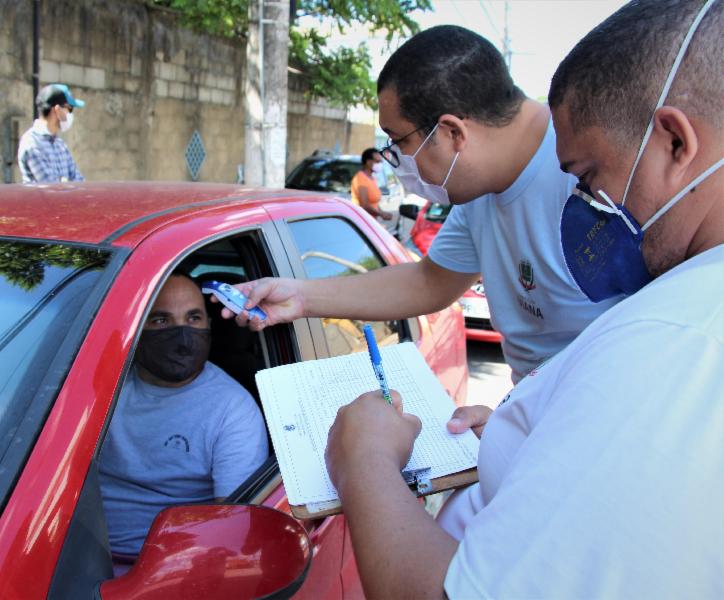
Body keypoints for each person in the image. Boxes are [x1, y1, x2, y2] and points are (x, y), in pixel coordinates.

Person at [325, 0, 723, 597]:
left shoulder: (673, 338)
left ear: (672, 142)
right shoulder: (679, 319)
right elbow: (433, 278)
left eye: (588, 178)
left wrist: (365, 460)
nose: (585, 208)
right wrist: (524, 428)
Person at [225, 26, 622, 383]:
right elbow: (430, 281)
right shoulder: (480, 188)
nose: (396, 159)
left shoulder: (596, 170)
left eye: (399, 141)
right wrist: (301, 296)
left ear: (451, 132)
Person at [98, 272, 268, 560]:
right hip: (68, 553)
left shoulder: (232, 409)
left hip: (165, 568)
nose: (182, 335)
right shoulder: (102, 387)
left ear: (209, 326)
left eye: (193, 319)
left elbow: (232, 529)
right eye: (161, 320)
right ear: (137, 327)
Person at [17, 83, 85, 184]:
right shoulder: (32, 142)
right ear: (57, 110)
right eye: (69, 109)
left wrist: (65, 183)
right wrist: (66, 183)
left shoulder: (59, 144)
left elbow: (79, 182)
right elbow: (50, 187)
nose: (70, 114)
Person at [350, 148, 394, 221]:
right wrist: (381, 214)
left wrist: (382, 212)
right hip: (362, 221)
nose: (380, 164)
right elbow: (364, 205)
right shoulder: (360, 178)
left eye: (381, 162)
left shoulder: (372, 178)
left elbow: (374, 203)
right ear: (368, 162)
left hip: (370, 220)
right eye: (377, 161)